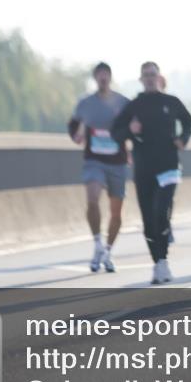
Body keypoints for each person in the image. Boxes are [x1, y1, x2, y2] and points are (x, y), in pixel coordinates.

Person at [111, 63, 191, 284]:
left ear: (159, 77)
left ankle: (163, 259)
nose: (149, 78)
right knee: (148, 219)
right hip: (144, 168)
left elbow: (188, 121)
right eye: (146, 75)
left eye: (153, 75)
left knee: (161, 211)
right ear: (141, 79)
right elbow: (115, 133)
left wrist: (183, 139)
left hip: (169, 166)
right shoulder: (134, 106)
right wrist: (131, 131)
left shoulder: (171, 102)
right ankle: (158, 263)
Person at [68, 62, 129, 273]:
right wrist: (76, 135)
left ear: (110, 77)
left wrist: (130, 137)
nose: (103, 78)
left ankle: (107, 252)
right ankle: (97, 243)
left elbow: (133, 126)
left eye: (106, 74)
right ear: (95, 78)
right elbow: (73, 123)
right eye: (99, 75)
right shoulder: (85, 103)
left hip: (117, 162)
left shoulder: (123, 102)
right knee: (92, 199)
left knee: (116, 213)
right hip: (94, 160)